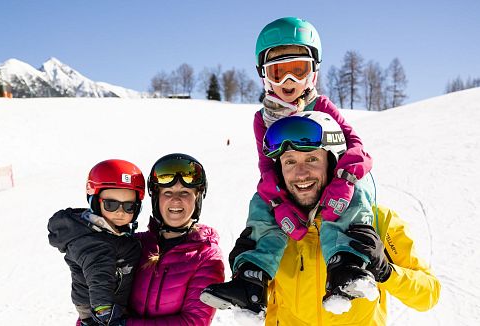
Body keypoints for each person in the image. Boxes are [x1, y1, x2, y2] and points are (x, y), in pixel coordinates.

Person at [201, 17, 376, 314]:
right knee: (260, 207)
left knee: (358, 194)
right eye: (279, 72)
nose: (288, 83)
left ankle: (346, 266)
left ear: (313, 73)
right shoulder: (263, 119)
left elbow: (357, 149)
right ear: (264, 76)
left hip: (330, 181)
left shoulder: (322, 107)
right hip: (291, 186)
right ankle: (251, 281)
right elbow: (267, 170)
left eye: (298, 71)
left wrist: (344, 180)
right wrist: (277, 202)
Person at [218, 114, 441, 324]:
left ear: (333, 164)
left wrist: (386, 271)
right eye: (290, 162)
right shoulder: (274, 231)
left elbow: (429, 295)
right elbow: (262, 302)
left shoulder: (375, 221)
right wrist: (245, 274)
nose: (301, 173)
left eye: (312, 159)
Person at [126, 153, 225, 325]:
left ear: (197, 197)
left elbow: (194, 321)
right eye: (168, 192)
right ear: (156, 198)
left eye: (185, 192)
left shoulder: (206, 256)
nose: (176, 200)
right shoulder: (136, 244)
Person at [48, 159, 145, 326]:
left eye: (129, 206)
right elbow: (99, 276)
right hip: (99, 308)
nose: (120, 212)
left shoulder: (109, 231)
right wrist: (104, 311)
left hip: (111, 301)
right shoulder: (94, 242)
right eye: (111, 204)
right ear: (95, 201)